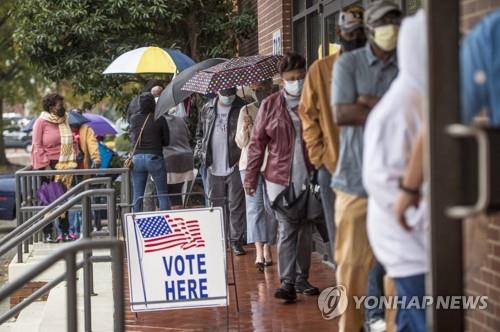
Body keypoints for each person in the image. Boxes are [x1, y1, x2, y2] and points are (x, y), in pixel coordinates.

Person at [330, 1, 402, 331]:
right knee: (351, 267)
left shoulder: (407, 66)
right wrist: (392, 109)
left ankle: (390, 326)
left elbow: (418, 111)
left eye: (395, 21)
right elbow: (343, 114)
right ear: (372, 27)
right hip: (353, 180)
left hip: (396, 183)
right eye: (384, 22)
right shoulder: (349, 64)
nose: (391, 27)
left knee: (396, 266)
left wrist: (369, 104)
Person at [363, 10, 428, 332]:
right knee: (422, 319)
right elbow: (382, 180)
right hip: (407, 238)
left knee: (409, 318)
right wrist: (421, 213)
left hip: (414, 237)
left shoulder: (422, 97)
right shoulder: (400, 107)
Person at [245, 52, 319, 302]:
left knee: (306, 229)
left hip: (310, 177)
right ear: (282, 79)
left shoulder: (315, 101)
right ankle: (287, 281)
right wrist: (250, 178)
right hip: (279, 179)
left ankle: (302, 278)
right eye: (291, 78)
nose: (297, 82)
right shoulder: (270, 105)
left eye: (300, 77)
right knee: (288, 228)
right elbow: (256, 144)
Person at [298, 5, 365, 264]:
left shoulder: (375, 67)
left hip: (372, 166)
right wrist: (319, 158)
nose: (356, 37)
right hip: (333, 165)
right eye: (350, 32)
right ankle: (348, 297)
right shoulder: (321, 70)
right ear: (339, 32)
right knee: (340, 239)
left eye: (360, 32)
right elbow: (308, 116)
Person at [195, 87, 248, 256]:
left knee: (236, 204)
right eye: (225, 94)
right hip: (212, 163)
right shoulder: (207, 108)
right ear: (218, 93)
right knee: (215, 205)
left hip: (234, 162)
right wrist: (200, 153)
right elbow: (199, 134)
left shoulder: (243, 107)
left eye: (231, 94)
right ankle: (218, 238)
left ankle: (236, 241)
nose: (228, 98)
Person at [235, 79, 277, 271]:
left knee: (271, 207)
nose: (260, 92)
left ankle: (268, 248)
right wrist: (246, 127)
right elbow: (240, 142)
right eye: (256, 89)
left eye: (263, 88)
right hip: (249, 165)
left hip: (271, 164)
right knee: (254, 208)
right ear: (252, 90)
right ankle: (259, 251)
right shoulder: (246, 110)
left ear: (270, 87)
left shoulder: (276, 107)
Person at [32, 93, 78, 243]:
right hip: (48, 166)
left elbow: (71, 140)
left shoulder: (64, 121)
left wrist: (75, 153)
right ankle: (48, 233)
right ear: (51, 107)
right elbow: (37, 145)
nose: (62, 107)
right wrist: (45, 165)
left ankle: (64, 232)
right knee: (48, 200)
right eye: (59, 105)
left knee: (64, 200)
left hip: (65, 164)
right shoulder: (41, 122)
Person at [129, 92, 170, 212]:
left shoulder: (133, 119)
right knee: (162, 194)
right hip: (155, 157)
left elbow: (132, 137)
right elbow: (167, 141)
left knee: (137, 195)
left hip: (137, 159)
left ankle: (134, 224)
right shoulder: (160, 118)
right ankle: (166, 223)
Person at [68, 109, 101, 239]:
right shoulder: (65, 129)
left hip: (83, 170)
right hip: (68, 171)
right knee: (71, 201)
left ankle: (83, 229)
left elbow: (92, 144)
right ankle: (72, 230)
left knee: (83, 200)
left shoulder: (86, 129)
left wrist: (96, 158)